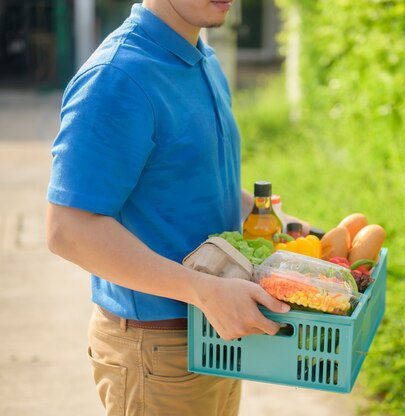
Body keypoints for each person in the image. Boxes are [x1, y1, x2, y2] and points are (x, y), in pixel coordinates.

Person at [45, 1, 307, 414]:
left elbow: (205, 185)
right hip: (158, 349)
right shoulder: (117, 77)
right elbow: (69, 230)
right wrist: (204, 292)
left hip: (219, 330)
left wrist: (288, 227)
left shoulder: (203, 59)